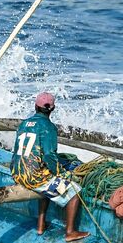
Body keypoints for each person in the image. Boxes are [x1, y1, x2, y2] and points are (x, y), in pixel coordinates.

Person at [10, 92, 90, 242]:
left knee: (47, 176)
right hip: (33, 179)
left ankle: (41, 225)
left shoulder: (24, 123)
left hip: (17, 174)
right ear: (53, 109)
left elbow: (16, 151)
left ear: (35, 106)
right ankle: (70, 232)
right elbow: (49, 156)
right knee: (74, 192)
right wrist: (63, 174)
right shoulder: (49, 127)